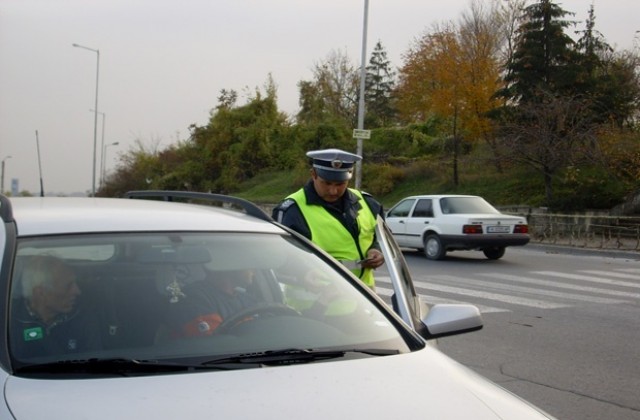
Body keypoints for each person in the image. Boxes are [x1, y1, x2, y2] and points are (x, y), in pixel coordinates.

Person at [272, 148, 384, 290]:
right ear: (313, 174)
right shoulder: (292, 210)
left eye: (340, 184)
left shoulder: (368, 203)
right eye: (327, 183)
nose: (333, 191)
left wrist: (377, 250)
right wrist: (302, 275)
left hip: (364, 302)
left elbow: (382, 239)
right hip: (314, 304)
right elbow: (278, 259)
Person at [10, 255, 102, 358]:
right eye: (68, 286)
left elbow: (93, 360)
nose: (77, 291)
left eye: (75, 283)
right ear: (41, 293)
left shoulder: (83, 316)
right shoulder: (9, 321)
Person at [166, 269, 258, 337]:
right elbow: (214, 344)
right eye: (250, 266)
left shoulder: (247, 299)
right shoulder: (194, 298)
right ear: (229, 266)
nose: (254, 271)